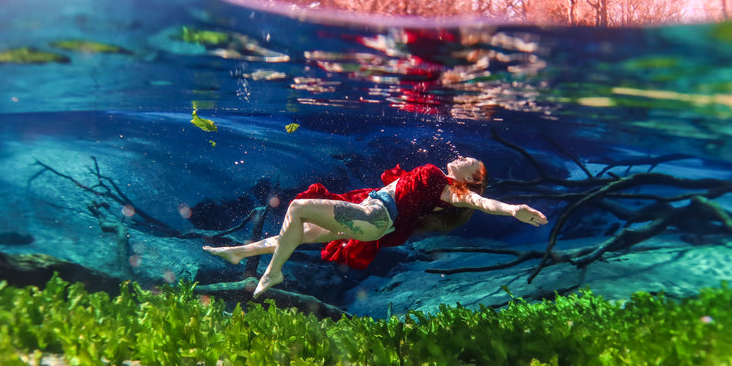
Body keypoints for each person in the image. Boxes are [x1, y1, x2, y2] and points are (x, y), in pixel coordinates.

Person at [203, 157, 548, 298]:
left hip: (374, 219)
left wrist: (513, 209)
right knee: (294, 233)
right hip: (370, 214)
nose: (461, 156)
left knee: (298, 207)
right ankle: (238, 253)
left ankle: (273, 273)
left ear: (473, 178)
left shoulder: (450, 191)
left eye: (468, 161)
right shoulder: (441, 180)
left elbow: (480, 203)